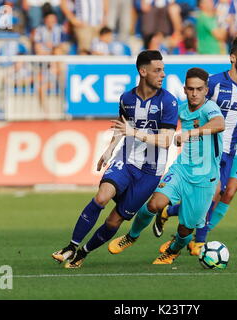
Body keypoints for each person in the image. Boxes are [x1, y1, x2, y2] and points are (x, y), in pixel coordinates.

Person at [51, 50, 179, 268]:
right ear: (143, 71)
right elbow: (122, 128)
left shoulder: (169, 102)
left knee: (114, 220)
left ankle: (83, 253)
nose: (163, 75)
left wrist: (134, 133)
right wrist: (110, 149)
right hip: (126, 160)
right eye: (158, 70)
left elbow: (166, 141)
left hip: (150, 172)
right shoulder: (126, 98)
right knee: (101, 197)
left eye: (163, 70)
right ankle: (71, 246)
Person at [155, 36, 237, 256]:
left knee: (213, 194)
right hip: (206, 149)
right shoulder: (213, 82)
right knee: (210, 194)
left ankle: (170, 212)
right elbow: (194, 105)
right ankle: (199, 242)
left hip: (229, 150)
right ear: (233, 58)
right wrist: (183, 129)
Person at [108, 67, 225, 264]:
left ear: (206, 90)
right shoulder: (180, 108)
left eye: (199, 89)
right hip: (181, 169)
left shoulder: (210, 108)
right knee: (154, 203)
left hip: (205, 178)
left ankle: (172, 251)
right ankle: (131, 236)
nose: (194, 93)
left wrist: (190, 134)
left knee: (185, 228)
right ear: (185, 89)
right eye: (190, 89)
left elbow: (219, 123)